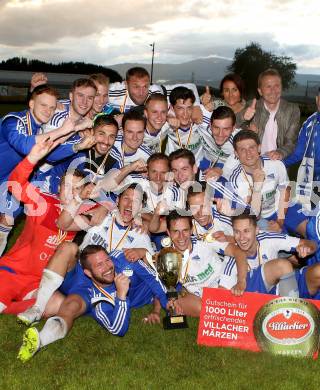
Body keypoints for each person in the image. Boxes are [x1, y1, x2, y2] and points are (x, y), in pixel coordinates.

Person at [17, 245, 169, 362]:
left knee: (69, 306)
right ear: (88, 272)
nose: (108, 267)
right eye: (100, 265)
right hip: (80, 279)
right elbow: (118, 329)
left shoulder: (122, 260)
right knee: (68, 247)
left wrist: (168, 302)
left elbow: (153, 278)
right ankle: (38, 307)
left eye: (107, 260)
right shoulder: (96, 292)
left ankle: (39, 340)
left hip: (85, 294)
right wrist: (122, 297)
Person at [0, 139, 85, 314]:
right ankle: (10, 305)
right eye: (67, 186)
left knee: (59, 304)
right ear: (59, 188)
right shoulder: (43, 201)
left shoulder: (82, 212)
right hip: (14, 271)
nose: (71, 192)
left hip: (39, 281)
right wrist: (31, 159)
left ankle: (17, 307)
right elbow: (15, 183)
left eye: (77, 188)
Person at [0, 85, 83, 256]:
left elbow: (49, 154)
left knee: (6, 222)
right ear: (31, 104)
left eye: (52, 107)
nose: (48, 111)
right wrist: (63, 130)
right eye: (43, 105)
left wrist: (77, 143)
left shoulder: (38, 128)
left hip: (8, 180)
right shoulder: (14, 120)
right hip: (5, 178)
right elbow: (23, 145)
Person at [162, 211, 248, 317]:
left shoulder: (204, 240)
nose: (181, 237)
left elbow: (238, 252)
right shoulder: (166, 257)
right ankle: (218, 308)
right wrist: (173, 300)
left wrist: (241, 282)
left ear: (191, 230)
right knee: (191, 307)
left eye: (185, 230)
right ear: (168, 233)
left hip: (224, 283)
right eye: (176, 231)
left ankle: (222, 305)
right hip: (202, 295)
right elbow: (169, 286)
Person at [220, 213, 317, 293]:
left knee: (317, 271)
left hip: (279, 288)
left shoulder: (268, 238)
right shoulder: (232, 258)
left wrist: (306, 248)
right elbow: (220, 296)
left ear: (257, 230)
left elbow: (311, 244)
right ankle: (291, 311)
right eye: (237, 232)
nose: (241, 237)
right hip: (256, 299)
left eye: (246, 231)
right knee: (282, 265)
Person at [225, 130, 290, 231]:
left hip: (281, 209)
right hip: (257, 218)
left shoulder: (276, 164)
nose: (248, 153)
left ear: (259, 148)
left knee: (309, 229)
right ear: (236, 154)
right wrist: (257, 187)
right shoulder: (235, 180)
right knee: (276, 240)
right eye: (242, 150)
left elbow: (285, 189)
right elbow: (253, 215)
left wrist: (280, 221)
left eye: (252, 148)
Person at [241, 68, 300, 160]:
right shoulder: (251, 106)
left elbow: (291, 142)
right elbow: (233, 125)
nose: (273, 90)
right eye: (268, 86)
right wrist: (243, 119)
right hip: (254, 162)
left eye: (277, 85)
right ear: (260, 91)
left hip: (279, 164)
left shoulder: (292, 110)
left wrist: (280, 152)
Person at [283, 88, 320, 207]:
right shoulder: (309, 123)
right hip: (310, 183)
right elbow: (298, 154)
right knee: (308, 219)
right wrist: (276, 164)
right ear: (317, 99)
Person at [199, 105, 240, 180]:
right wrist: (196, 106)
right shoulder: (201, 122)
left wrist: (221, 170)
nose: (220, 134)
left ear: (233, 128)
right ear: (210, 125)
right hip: (203, 161)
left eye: (226, 129)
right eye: (216, 128)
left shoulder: (239, 142)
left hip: (226, 167)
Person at [165, 87, 204, 166]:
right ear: (172, 108)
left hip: (198, 168)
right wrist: (167, 118)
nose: (185, 114)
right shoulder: (166, 126)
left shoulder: (200, 123)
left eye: (189, 108)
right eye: (180, 108)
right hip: (173, 170)